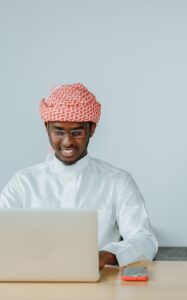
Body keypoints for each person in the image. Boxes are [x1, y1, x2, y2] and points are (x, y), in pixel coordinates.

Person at [0, 83, 158, 269]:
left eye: (77, 132)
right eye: (58, 131)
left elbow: (145, 239)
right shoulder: (23, 183)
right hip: (34, 282)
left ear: (92, 129)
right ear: (47, 128)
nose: (67, 142)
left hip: (99, 285)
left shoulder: (118, 181)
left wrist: (108, 255)